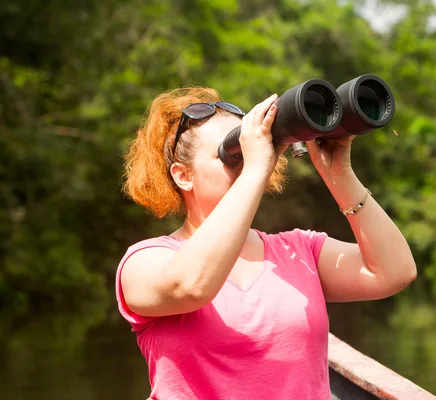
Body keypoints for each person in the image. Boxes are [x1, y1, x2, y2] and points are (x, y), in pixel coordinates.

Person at [116, 86, 417, 400]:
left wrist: (339, 173)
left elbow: (395, 272)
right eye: (233, 154)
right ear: (183, 176)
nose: (247, 162)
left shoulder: (299, 251)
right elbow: (191, 286)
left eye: (250, 151)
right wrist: (257, 166)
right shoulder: (145, 262)